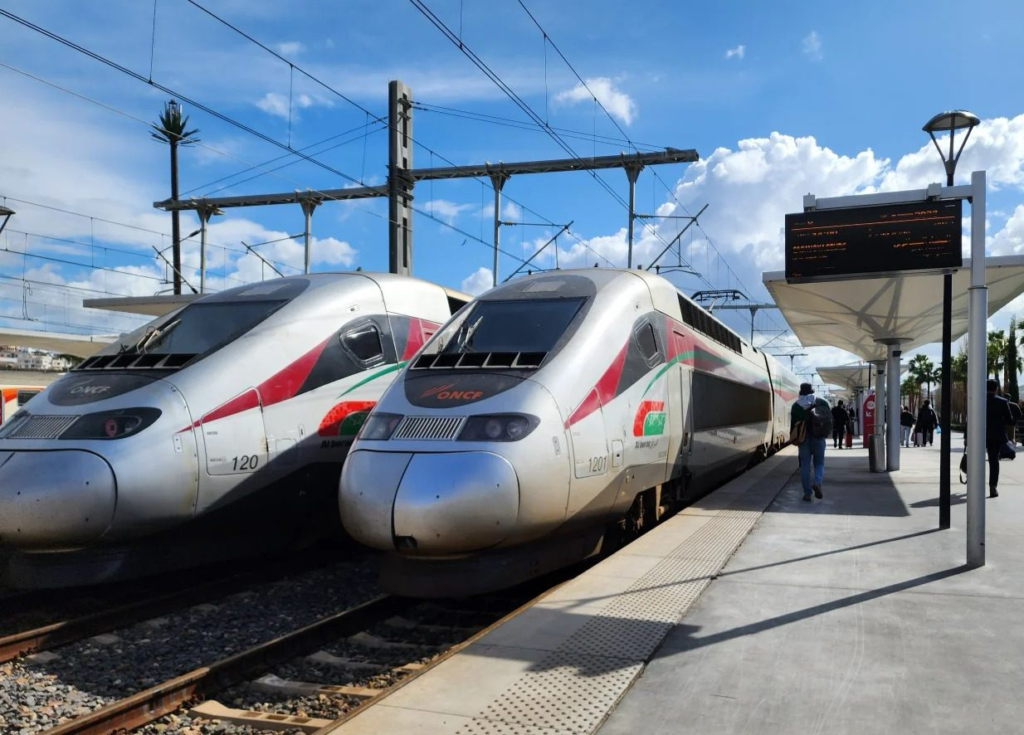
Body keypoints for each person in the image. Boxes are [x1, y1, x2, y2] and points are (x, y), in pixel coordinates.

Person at [792, 383, 830, 501]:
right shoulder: (821, 402)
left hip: (803, 439)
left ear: (801, 392)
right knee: (819, 463)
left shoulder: (796, 406)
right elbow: (829, 420)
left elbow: (793, 425)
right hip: (819, 437)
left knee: (805, 466)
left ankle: (807, 493)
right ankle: (817, 482)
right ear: (812, 391)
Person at [986, 378, 1015, 498]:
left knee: (974, 460)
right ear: (996, 389)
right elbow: (1010, 420)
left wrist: (967, 436)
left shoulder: (978, 400)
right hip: (996, 436)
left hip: (979, 435)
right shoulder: (1003, 402)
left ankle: (973, 484)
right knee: (994, 462)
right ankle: (993, 487)